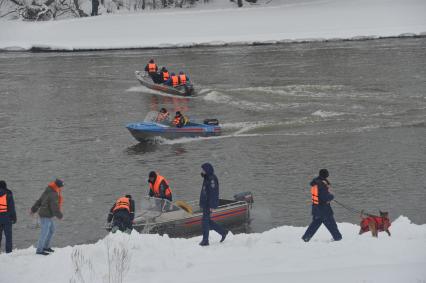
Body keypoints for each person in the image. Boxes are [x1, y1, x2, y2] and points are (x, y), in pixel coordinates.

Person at [301, 169, 342, 242]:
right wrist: (331, 196)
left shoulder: (316, 182)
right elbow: (324, 197)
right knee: (331, 224)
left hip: (316, 208)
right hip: (323, 209)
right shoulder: (321, 184)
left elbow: (320, 196)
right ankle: (338, 238)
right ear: (325, 175)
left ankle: (306, 238)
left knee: (314, 225)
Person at [31, 179, 64, 255]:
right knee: (44, 232)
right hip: (45, 215)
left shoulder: (49, 190)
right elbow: (54, 207)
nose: (62, 188)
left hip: (48, 214)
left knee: (52, 230)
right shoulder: (53, 193)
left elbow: (39, 201)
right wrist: (60, 216)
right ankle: (39, 250)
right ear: (58, 186)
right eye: (61, 187)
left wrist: (33, 209)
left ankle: (45, 246)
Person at [199, 163, 228, 246]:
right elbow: (205, 191)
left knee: (205, 222)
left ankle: (205, 241)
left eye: (203, 170)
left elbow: (213, 193)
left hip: (208, 204)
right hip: (205, 203)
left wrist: (212, 206)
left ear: (207, 170)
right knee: (207, 221)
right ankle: (223, 232)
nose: (202, 171)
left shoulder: (212, 179)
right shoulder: (207, 177)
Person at [0, 181, 17, 254]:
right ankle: (8, 253)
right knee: (8, 237)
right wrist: (14, 217)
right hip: (7, 219)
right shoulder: (8, 194)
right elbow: (11, 207)